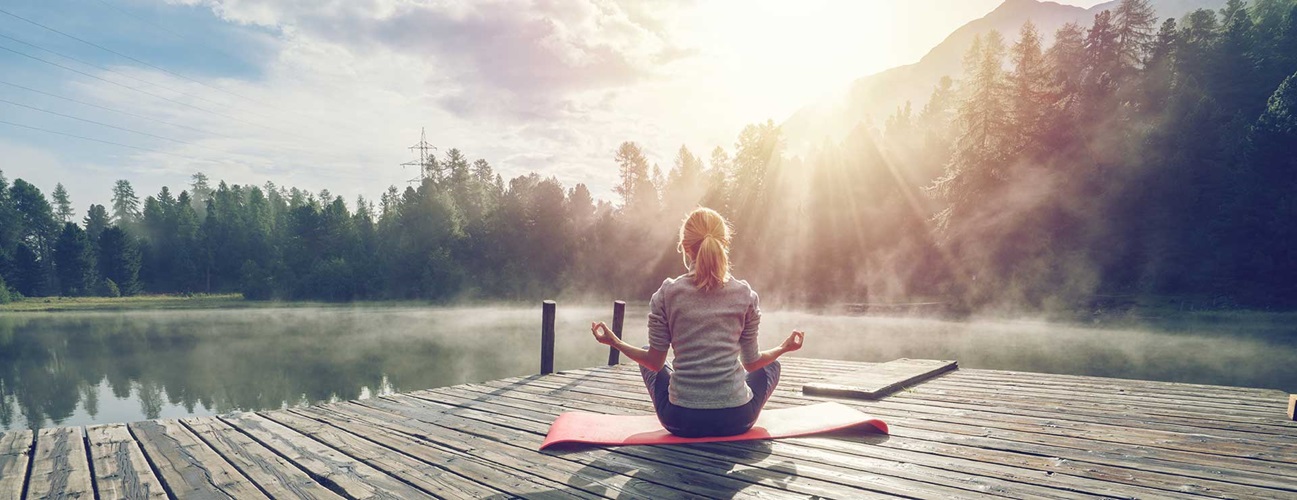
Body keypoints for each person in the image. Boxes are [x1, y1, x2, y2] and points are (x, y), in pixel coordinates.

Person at [590, 207, 804, 437]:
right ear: (725, 245)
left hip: (680, 420)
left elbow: (653, 362)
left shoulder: (667, 294)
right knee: (770, 366)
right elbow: (752, 363)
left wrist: (615, 342)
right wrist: (784, 348)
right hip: (738, 419)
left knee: (650, 356)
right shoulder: (745, 294)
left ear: (685, 248)